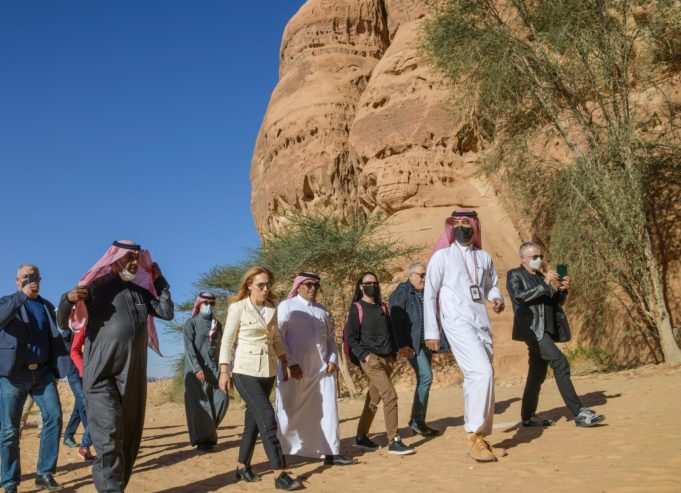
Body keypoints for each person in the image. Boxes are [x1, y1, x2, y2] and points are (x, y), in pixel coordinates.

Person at [57, 240, 174, 493]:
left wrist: (160, 281)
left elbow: (166, 312)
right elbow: (64, 322)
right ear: (114, 260)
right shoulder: (95, 288)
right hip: (101, 375)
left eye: (136, 258)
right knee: (108, 437)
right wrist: (67, 299)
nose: (132, 263)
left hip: (132, 376)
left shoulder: (140, 293)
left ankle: (116, 486)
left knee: (129, 438)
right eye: (127, 257)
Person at [423, 209, 506, 462]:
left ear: (474, 226)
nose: (461, 227)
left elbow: (491, 284)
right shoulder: (442, 257)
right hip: (456, 322)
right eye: (456, 223)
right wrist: (431, 331)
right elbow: (430, 293)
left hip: (481, 323)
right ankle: (474, 435)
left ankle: (479, 437)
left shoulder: (484, 257)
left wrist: (496, 298)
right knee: (483, 372)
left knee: (477, 377)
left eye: (465, 223)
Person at [218, 267, 302, 491]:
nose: (266, 289)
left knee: (253, 423)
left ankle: (242, 466)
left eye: (268, 285)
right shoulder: (238, 308)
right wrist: (224, 371)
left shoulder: (271, 309)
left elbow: (275, 340)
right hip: (245, 372)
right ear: (249, 286)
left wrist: (286, 361)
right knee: (267, 417)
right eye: (261, 285)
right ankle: (280, 473)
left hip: (268, 372)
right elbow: (227, 342)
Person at [507, 242, 605, 428]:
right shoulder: (515, 274)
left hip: (545, 330)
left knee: (537, 374)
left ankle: (527, 417)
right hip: (533, 330)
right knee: (560, 362)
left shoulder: (540, 277)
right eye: (535, 257)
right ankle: (578, 413)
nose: (539, 260)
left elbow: (552, 303)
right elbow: (519, 296)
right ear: (523, 258)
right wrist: (545, 284)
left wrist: (561, 290)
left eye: (540, 256)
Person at [0, 264, 70, 493]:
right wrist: (21, 296)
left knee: (54, 417)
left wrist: (56, 369)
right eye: (27, 277)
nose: (33, 280)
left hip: (42, 374)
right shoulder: (7, 302)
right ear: (17, 280)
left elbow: (53, 337)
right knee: (9, 430)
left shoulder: (46, 306)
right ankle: (10, 482)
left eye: (36, 277)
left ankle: (44, 474)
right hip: (13, 375)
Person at [275, 272, 357, 466]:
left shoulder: (322, 311)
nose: (313, 289)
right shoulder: (287, 306)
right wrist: (290, 362)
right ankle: (282, 450)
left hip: (322, 370)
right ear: (299, 286)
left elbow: (330, 338)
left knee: (328, 410)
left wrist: (333, 359)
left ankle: (331, 452)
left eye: (316, 286)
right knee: (289, 412)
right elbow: (279, 337)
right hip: (295, 370)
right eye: (309, 285)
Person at [347, 271, 415, 456]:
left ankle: (361, 437)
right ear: (361, 286)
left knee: (373, 399)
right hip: (371, 360)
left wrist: (394, 353)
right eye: (368, 283)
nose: (372, 286)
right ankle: (394, 440)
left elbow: (390, 332)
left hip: (387, 359)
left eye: (375, 283)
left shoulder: (382, 307)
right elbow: (351, 338)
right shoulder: (357, 308)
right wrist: (365, 356)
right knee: (390, 396)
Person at [389, 261, 439, 437]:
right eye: (421, 275)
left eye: (426, 275)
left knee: (424, 379)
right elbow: (395, 319)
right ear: (411, 276)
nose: (424, 279)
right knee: (426, 377)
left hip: (425, 344)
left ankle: (417, 420)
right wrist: (402, 345)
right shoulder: (401, 293)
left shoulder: (425, 292)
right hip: (412, 345)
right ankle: (417, 421)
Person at [183, 292, 229, 452]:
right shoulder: (191, 324)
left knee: (222, 398)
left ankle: (207, 432)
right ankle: (204, 440)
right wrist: (196, 367)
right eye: (205, 302)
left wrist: (226, 369)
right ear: (199, 304)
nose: (208, 305)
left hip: (215, 369)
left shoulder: (218, 325)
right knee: (201, 406)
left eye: (211, 303)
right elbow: (189, 348)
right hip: (196, 370)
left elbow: (224, 347)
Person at [61, 329, 95, 461]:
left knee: (78, 405)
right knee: (84, 402)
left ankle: (68, 436)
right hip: (73, 372)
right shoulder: (68, 332)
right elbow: (70, 350)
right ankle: (89, 441)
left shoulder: (88, 328)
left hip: (85, 370)